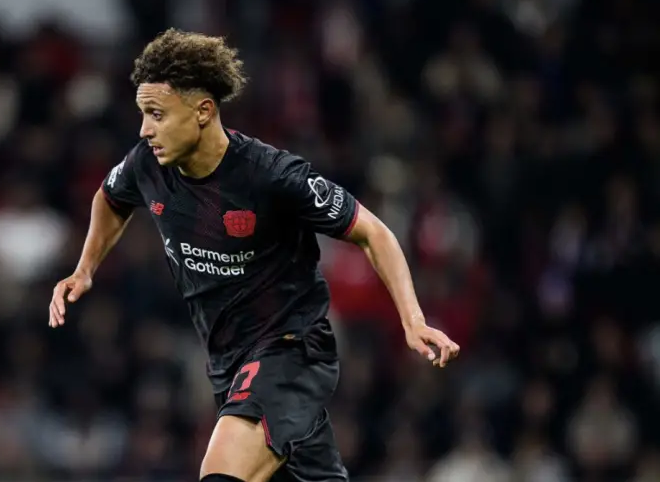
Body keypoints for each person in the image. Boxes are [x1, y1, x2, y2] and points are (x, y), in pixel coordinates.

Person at [48, 28, 461, 482]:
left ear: (203, 110)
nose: (145, 129)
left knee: (221, 475)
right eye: (143, 114)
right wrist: (85, 269)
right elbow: (110, 199)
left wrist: (413, 320)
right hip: (227, 364)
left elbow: (374, 234)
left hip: (291, 352)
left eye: (157, 114)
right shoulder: (148, 163)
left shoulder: (271, 176)